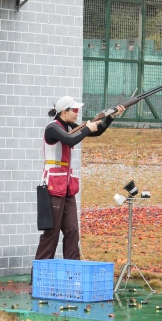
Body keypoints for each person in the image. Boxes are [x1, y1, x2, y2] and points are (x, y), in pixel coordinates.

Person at [35, 96, 123, 261]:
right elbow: (71, 139)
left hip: (67, 187)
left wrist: (110, 116)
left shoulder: (68, 126)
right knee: (51, 234)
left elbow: (96, 131)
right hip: (53, 186)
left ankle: (72, 273)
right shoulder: (52, 128)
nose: (77, 113)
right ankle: (39, 275)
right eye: (74, 110)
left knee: (72, 231)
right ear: (64, 111)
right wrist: (87, 128)